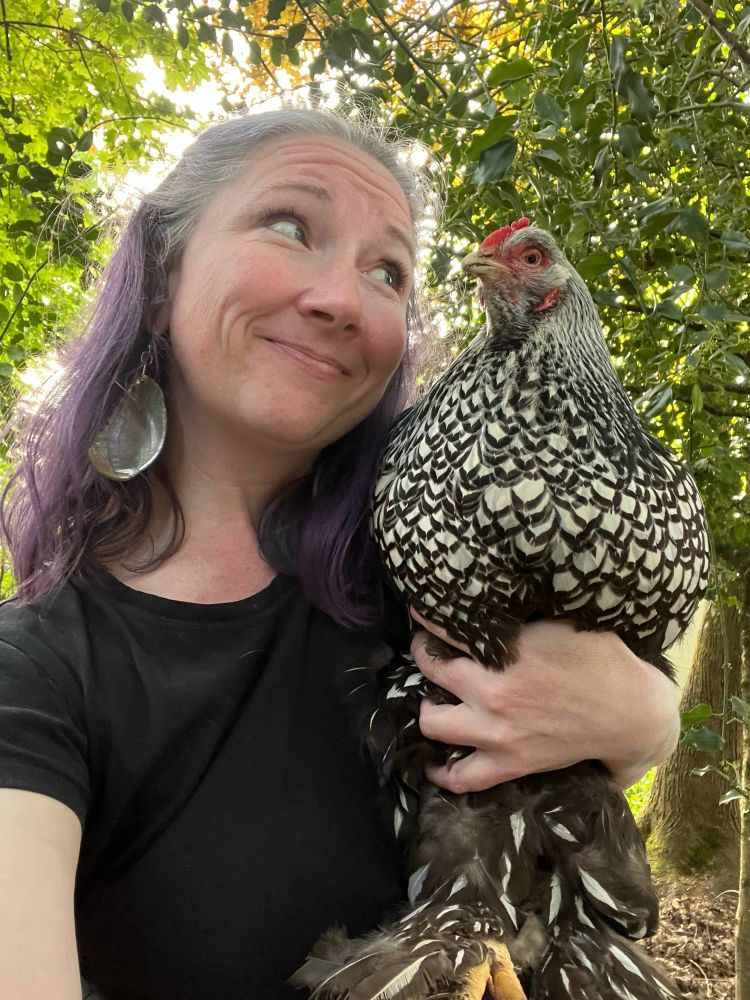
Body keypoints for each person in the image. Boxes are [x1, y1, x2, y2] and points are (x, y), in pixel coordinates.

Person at [0, 107, 679, 1000]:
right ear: (163, 276)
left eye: (388, 272)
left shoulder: (446, 565)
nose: (342, 300)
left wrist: (643, 716)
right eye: (291, 226)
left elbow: (612, 707)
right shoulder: (37, 672)